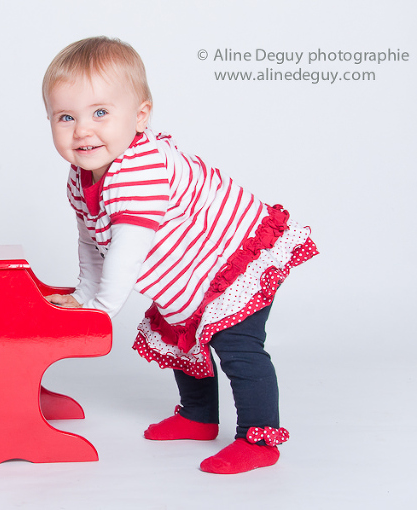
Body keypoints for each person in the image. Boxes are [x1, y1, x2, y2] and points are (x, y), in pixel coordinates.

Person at [41, 36, 318, 474]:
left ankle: (260, 438)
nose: (82, 130)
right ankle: (198, 415)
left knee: (238, 347)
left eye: (100, 113)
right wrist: (83, 295)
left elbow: (127, 252)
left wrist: (100, 310)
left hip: (234, 256)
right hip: (191, 267)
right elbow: (92, 242)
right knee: (178, 328)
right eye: (65, 117)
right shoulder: (80, 177)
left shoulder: (139, 168)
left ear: (140, 116)